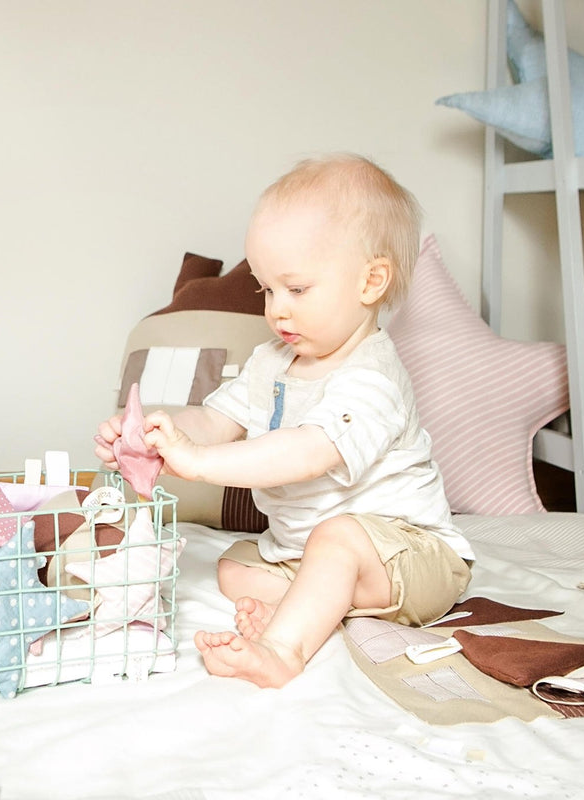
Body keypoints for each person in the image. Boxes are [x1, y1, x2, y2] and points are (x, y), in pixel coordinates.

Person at [96, 154, 473, 689]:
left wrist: (199, 464)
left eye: (296, 289)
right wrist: (162, 438)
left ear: (371, 281)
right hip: (308, 551)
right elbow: (215, 419)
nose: (276, 309)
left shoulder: (373, 375)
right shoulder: (272, 361)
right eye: (267, 290)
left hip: (411, 557)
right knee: (234, 569)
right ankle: (318, 603)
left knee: (339, 538)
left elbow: (307, 452)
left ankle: (283, 648)